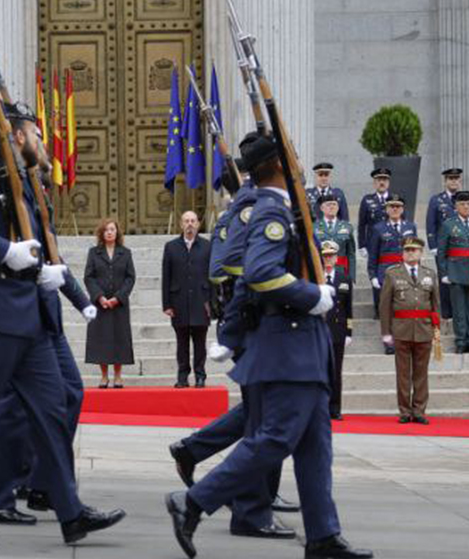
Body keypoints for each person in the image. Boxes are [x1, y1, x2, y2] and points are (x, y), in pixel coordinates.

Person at [166, 130, 370, 559]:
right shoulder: (270, 211)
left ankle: (322, 535)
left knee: (316, 448)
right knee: (276, 438)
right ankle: (194, 500)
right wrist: (310, 295)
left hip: (304, 345)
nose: (297, 158)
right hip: (288, 344)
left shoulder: (283, 207)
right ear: (277, 164)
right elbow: (258, 272)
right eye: (291, 152)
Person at [0, 100, 123, 548]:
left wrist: (47, 275)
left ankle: (70, 511)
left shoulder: (25, 185)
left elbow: (38, 248)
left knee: (53, 410)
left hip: (26, 315)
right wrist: (4, 251)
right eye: (36, 133)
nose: (42, 140)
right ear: (16, 135)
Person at [380, 237, 439, 425]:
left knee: (421, 373)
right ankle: (405, 411)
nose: (410, 253)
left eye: (414, 250)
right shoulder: (392, 274)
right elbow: (385, 304)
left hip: (423, 329)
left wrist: (436, 328)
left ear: (421, 253)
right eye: (407, 250)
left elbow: (435, 303)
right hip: (401, 329)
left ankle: (419, 410)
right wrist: (386, 331)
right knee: (403, 374)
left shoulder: (429, 273)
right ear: (402, 253)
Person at [434, 190, 469, 354]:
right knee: (458, 311)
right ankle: (460, 341)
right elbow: (442, 252)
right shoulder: (448, 225)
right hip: (456, 273)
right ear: (456, 206)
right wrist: (443, 273)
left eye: (468, 204)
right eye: (462, 204)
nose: (466, 207)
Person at [163, 211, 212, 388]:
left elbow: (212, 276)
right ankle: (182, 377)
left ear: (198, 224)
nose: (190, 224)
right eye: (186, 221)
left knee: (200, 343)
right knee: (181, 343)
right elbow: (166, 276)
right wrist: (166, 304)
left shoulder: (207, 246)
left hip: (202, 301)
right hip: (179, 302)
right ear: (181, 224)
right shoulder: (171, 247)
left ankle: (200, 376)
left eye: (193, 221)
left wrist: (212, 303)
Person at [85, 219, 136, 388]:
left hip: (119, 304)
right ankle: (104, 376)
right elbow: (88, 277)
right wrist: (99, 297)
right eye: (106, 230)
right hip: (100, 304)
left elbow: (130, 277)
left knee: (119, 338)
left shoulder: (125, 253)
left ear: (117, 232)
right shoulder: (93, 252)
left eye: (112, 229)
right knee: (102, 339)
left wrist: (119, 297)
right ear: (101, 233)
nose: (109, 232)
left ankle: (118, 376)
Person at [367, 198, 417, 354]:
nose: (395, 209)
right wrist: (373, 275)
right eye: (392, 206)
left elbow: (415, 252)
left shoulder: (410, 227)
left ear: (402, 209)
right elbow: (373, 254)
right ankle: (389, 343)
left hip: (406, 272)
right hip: (386, 273)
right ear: (386, 209)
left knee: (405, 308)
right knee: (387, 310)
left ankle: (404, 341)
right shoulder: (378, 228)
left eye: (398, 206)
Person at [321, 240, 355, 420]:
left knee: (335, 372)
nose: (328, 259)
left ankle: (335, 408)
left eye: (331, 256)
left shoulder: (344, 278)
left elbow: (349, 308)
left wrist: (349, 332)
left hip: (337, 331)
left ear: (336, 258)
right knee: (320, 371)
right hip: (319, 331)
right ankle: (320, 408)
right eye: (325, 256)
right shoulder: (316, 278)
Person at [427, 167, 463, 319]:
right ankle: (447, 313)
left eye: (456, 179)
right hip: (443, 248)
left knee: (460, 279)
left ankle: (459, 311)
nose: (454, 181)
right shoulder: (437, 200)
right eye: (451, 179)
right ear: (445, 181)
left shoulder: (465, 199)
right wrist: (433, 245)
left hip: (462, 248)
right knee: (445, 280)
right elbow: (431, 223)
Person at [356, 168, 393, 253]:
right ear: (374, 183)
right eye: (379, 180)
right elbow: (362, 225)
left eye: (384, 180)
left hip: (392, 244)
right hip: (373, 243)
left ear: (388, 183)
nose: (382, 183)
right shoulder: (367, 200)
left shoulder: (396, 200)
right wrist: (361, 245)